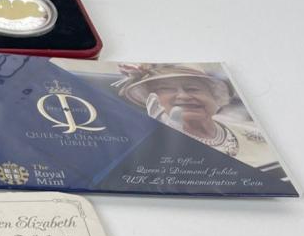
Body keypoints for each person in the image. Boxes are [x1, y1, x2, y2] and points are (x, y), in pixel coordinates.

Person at [113, 63, 276, 168]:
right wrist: (169, 142)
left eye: (193, 89)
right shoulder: (144, 149)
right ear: (152, 101)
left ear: (215, 97)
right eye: (167, 89)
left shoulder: (254, 132)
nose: (183, 96)